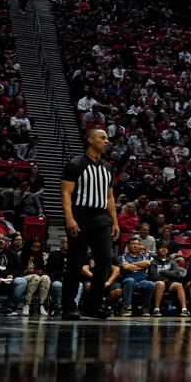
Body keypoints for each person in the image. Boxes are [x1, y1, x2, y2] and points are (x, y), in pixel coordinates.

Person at [60, 129, 120, 320]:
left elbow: (110, 198)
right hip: (80, 215)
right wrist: (69, 218)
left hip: (101, 217)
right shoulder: (75, 164)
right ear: (90, 140)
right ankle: (68, 306)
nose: (107, 141)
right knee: (76, 262)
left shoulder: (108, 168)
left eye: (107, 138)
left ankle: (93, 306)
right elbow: (66, 193)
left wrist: (115, 222)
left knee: (104, 261)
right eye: (102, 138)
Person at [118, 237, 156, 317]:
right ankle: (124, 308)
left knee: (151, 284)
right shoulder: (122, 257)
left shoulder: (143, 256)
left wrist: (131, 265)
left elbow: (147, 263)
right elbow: (125, 267)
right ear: (128, 246)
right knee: (130, 280)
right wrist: (141, 266)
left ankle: (145, 308)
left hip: (141, 282)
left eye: (137, 244)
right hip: (127, 282)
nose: (136, 246)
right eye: (133, 244)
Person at [150, 242, 187, 316]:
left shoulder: (172, 262)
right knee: (160, 283)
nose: (164, 249)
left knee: (179, 285)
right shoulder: (153, 262)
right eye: (161, 247)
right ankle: (156, 309)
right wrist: (168, 274)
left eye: (166, 248)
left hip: (170, 283)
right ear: (157, 250)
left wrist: (163, 272)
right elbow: (154, 276)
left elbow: (176, 274)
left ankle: (184, 310)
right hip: (158, 283)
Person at [20, 238, 52, 316]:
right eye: (33, 247)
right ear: (29, 246)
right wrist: (30, 272)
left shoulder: (43, 255)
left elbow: (46, 270)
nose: (35, 249)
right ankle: (27, 304)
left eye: (38, 247)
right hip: (24, 277)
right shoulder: (23, 254)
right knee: (35, 277)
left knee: (46, 278)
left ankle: (41, 305)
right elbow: (19, 270)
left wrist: (41, 272)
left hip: (38, 277)